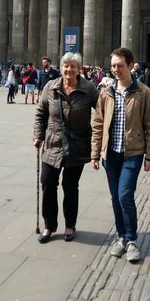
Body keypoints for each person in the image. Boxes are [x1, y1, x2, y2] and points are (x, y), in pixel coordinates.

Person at [91, 47, 150, 262]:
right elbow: (98, 124)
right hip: (110, 154)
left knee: (124, 196)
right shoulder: (106, 93)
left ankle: (131, 239)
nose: (115, 69)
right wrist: (95, 153)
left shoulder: (144, 92)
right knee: (115, 197)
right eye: (112, 66)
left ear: (130, 65)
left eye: (119, 65)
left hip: (133, 153)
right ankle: (121, 236)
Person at [33, 52, 98, 244]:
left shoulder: (88, 89)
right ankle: (49, 225)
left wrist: (98, 139)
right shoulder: (50, 87)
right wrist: (38, 135)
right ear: (61, 68)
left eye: (73, 66)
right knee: (47, 183)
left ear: (79, 69)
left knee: (70, 187)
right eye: (66, 66)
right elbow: (40, 112)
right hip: (52, 143)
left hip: (76, 146)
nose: (69, 69)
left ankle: (70, 225)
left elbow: (102, 112)